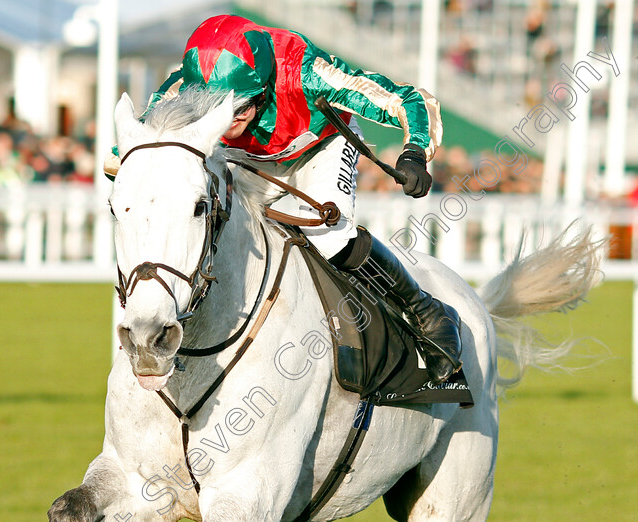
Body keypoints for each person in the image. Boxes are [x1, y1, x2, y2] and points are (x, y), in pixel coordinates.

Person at [143, 14, 461, 383]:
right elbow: (134, 141)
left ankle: (425, 310)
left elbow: (407, 99)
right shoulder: (182, 88)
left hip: (320, 144)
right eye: (218, 110)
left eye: (240, 108)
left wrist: (414, 153)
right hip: (247, 159)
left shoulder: (305, 71)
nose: (230, 121)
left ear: (263, 87)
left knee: (333, 239)